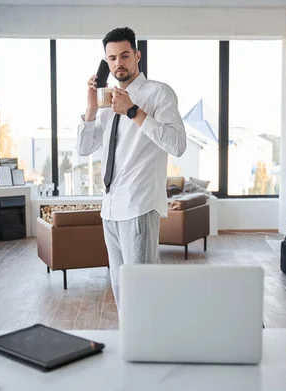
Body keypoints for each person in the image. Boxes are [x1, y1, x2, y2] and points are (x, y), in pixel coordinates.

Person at [77, 27, 187, 309]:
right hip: (110, 209)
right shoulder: (106, 101)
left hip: (138, 205)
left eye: (124, 55)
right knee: (122, 293)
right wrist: (90, 110)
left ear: (137, 55)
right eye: (111, 58)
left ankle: (152, 349)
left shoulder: (158, 93)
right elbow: (84, 148)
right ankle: (132, 349)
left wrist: (132, 110)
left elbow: (177, 144)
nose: (118, 64)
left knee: (143, 291)